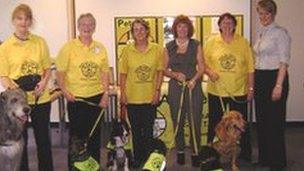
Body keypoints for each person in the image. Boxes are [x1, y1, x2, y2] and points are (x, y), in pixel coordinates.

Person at [0, 4, 53, 171]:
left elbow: (47, 69)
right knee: (21, 142)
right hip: (17, 105)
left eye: (27, 18)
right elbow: (3, 76)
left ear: (31, 21)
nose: (23, 22)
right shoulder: (5, 47)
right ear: (14, 21)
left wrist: (44, 83)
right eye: (19, 18)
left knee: (43, 141)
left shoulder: (40, 42)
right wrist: (15, 90)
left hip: (40, 99)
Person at [55, 13, 109, 170]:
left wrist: (106, 93)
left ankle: (94, 166)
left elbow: (105, 73)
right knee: (77, 138)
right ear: (78, 27)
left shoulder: (100, 48)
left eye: (90, 24)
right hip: (76, 99)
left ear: (94, 27)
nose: (87, 27)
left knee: (94, 137)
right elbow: (60, 73)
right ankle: (75, 167)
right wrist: (64, 91)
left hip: (96, 98)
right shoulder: (68, 47)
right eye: (84, 24)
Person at [204, 13, 254, 161]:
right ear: (219, 25)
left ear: (234, 25)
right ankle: (210, 154)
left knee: (241, 125)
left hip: (238, 91)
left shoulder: (243, 42)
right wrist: (210, 72)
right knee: (215, 124)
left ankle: (245, 154)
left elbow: (250, 68)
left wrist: (251, 89)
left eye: (230, 22)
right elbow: (202, 64)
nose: (227, 25)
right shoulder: (211, 42)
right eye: (224, 23)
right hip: (216, 91)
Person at [119, 18, 164, 168]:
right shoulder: (127, 50)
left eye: (142, 29)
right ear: (132, 33)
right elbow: (123, 74)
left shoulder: (157, 49)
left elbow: (159, 72)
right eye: (136, 30)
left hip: (150, 97)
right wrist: (123, 93)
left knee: (148, 130)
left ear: (147, 31)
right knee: (136, 131)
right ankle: (138, 160)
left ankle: (149, 160)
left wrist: (157, 91)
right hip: (132, 97)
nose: (139, 32)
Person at [253, 1, 291, 170]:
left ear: (273, 14)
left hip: (275, 78)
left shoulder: (280, 33)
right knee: (262, 121)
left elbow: (284, 61)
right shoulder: (261, 32)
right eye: (260, 13)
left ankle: (277, 162)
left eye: (267, 13)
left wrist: (278, 85)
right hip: (261, 78)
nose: (263, 17)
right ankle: (265, 159)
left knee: (274, 122)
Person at [164, 15, 204, 166]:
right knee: (178, 119)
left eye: (185, 26)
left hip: (193, 86)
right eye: (179, 26)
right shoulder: (169, 46)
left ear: (189, 29)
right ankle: (180, 150)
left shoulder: (196, 44)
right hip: (176, 87)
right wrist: (175, 74)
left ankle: (195, 151)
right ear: (175, 29)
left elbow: (201, 67)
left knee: (195, 120)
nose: (182, 29)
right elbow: (164, 69)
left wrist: (194, 79)